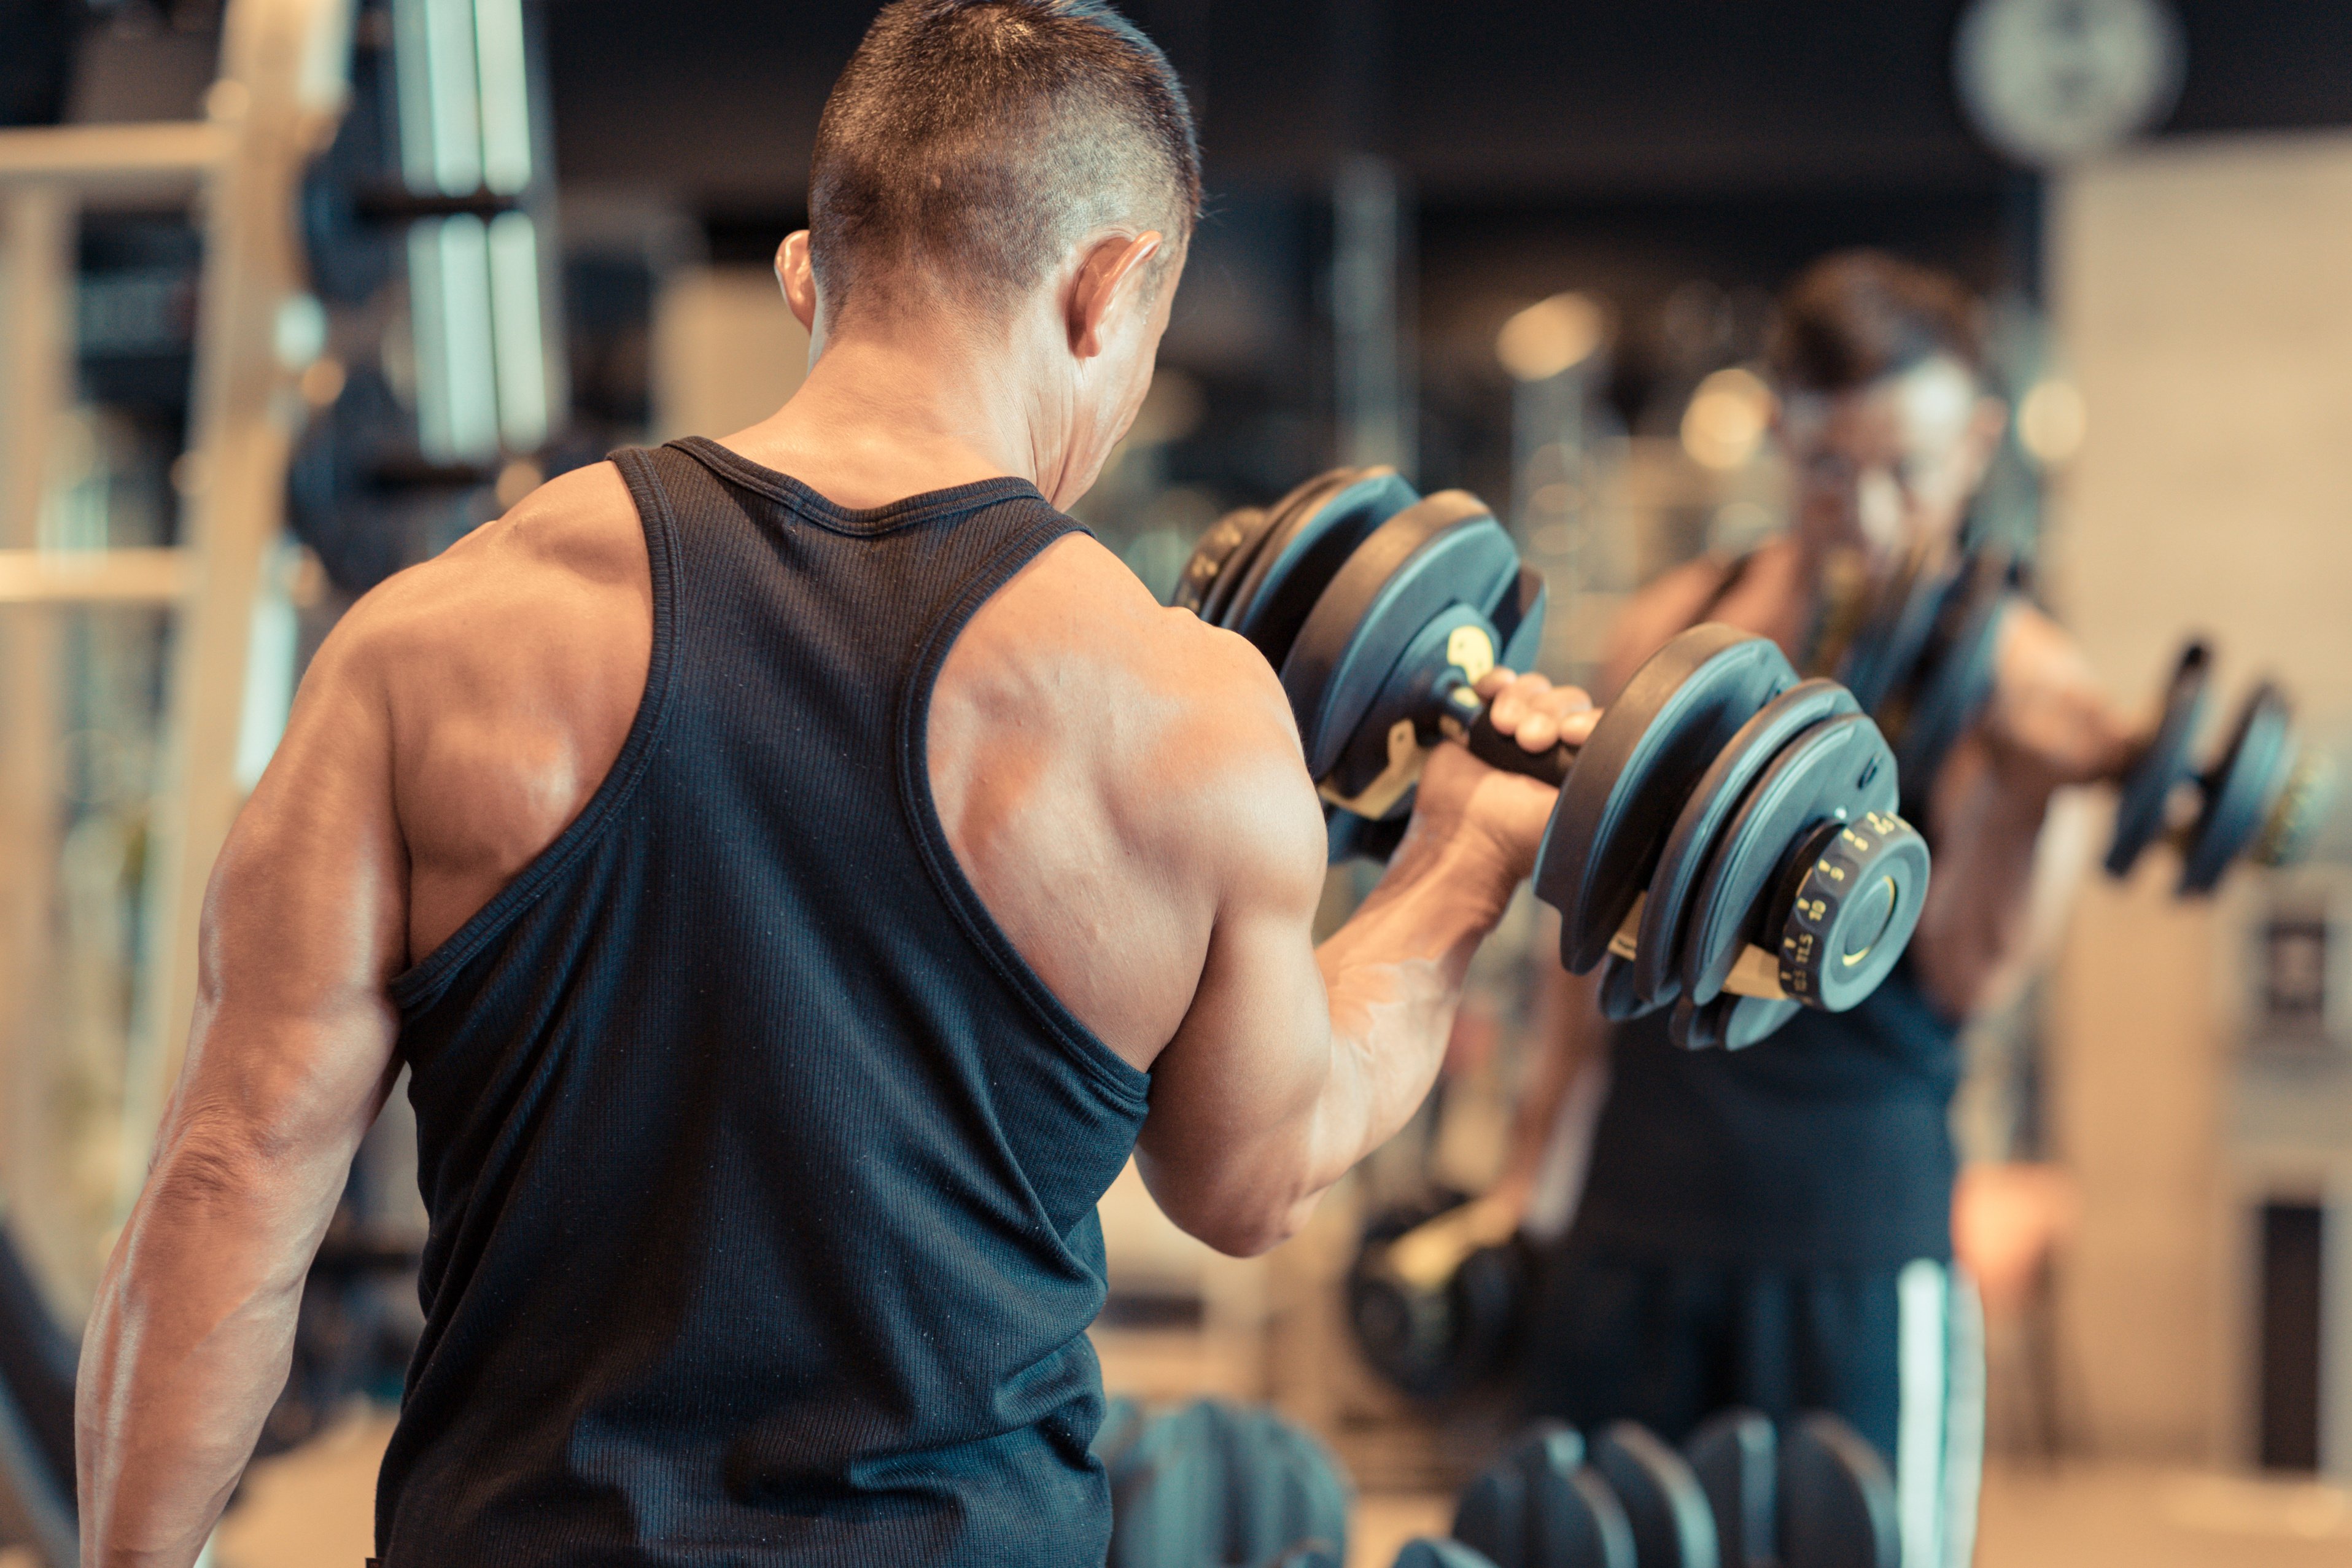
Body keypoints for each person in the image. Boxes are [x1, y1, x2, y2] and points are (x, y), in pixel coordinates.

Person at [72, 4, 1594, 1565]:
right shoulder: (1191, 722)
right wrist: (1459, 860)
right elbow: (1251, 1171)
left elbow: (228, 1182)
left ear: (813, 272)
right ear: (1107, 287)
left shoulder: (439, 642)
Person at [1483, 252, 2137, 1566]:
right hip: (1634, 1214)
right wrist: (1530, 1170)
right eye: (1832, 467)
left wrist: (2019, 799)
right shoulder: (1685, 620)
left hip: (1849, 1233)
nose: (1872, 510)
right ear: (1783, 438)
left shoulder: (2025, 682)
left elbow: (1966, 983)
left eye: (1912, 465)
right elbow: (1584, 926)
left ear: (1978, 442)